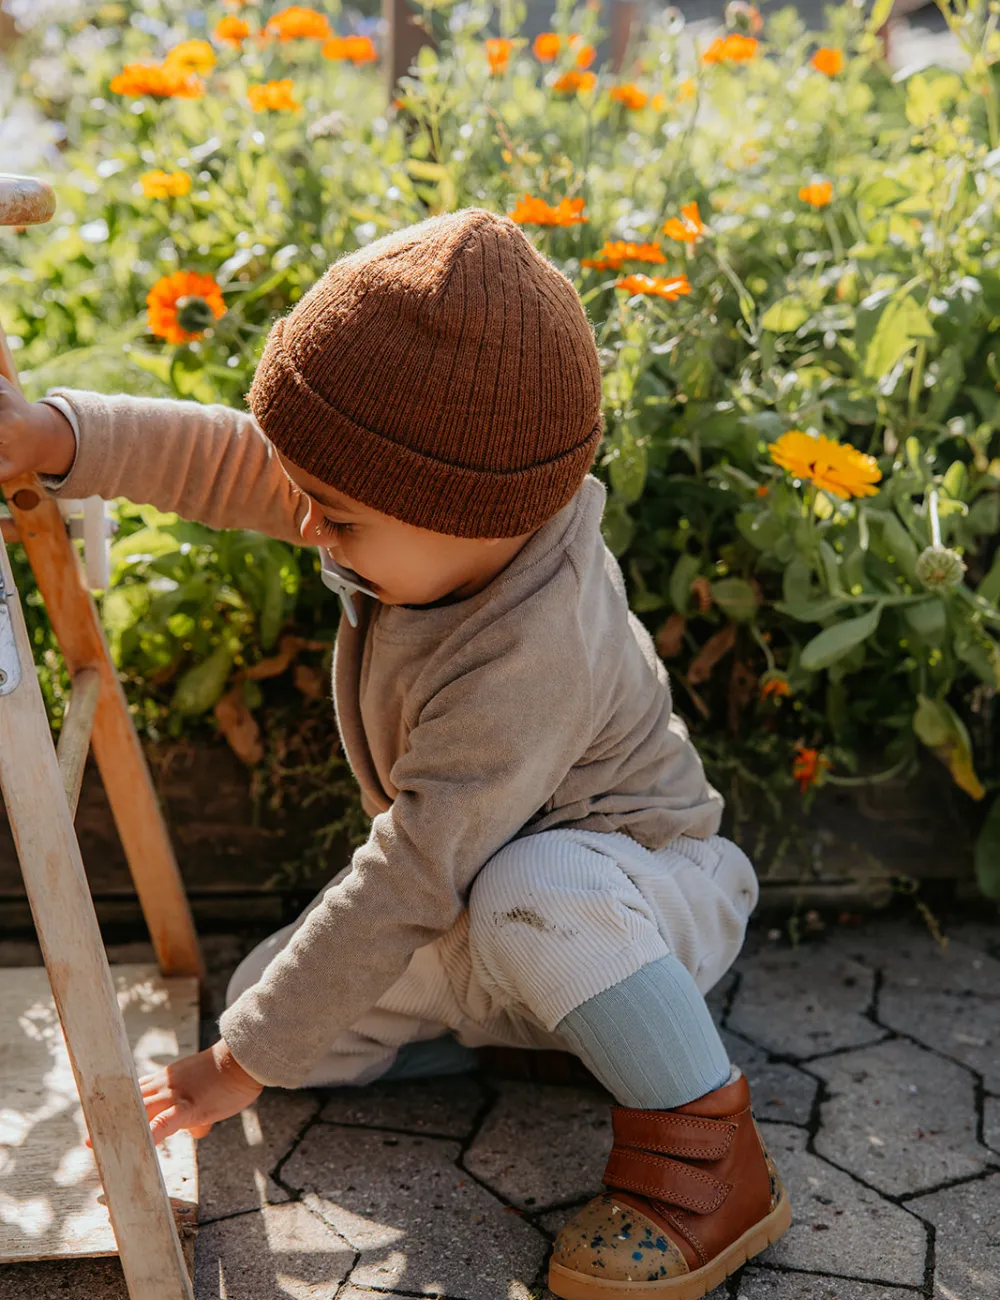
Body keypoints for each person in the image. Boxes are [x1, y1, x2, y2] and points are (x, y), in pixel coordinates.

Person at [0, 208, 789, 1297]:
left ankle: (705, 1151)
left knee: (523, 892)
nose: (310, 530)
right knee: (275, 1010)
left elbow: (414, 865)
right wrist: (58, 435)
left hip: (639, 893)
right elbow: (231, 461)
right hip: (480, 898)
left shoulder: (532, 645)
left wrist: (231, 1067)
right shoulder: (421, 518)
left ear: (471, 511)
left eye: (337, 517)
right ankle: (547, 1031)